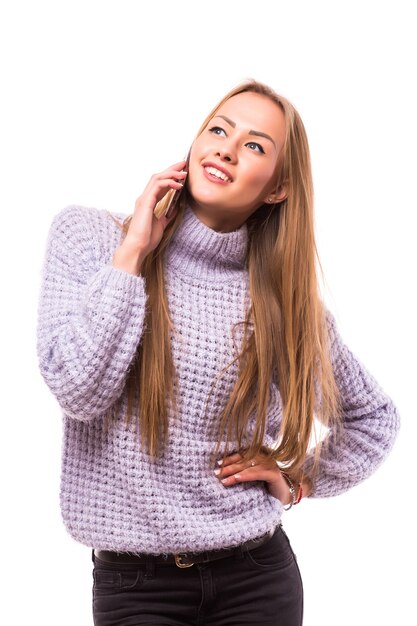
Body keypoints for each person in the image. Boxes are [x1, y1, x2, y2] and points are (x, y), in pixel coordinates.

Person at [36, 79, 400, 626]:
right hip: (136, 588)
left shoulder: (283, 303)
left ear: (277, 188)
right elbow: (76, 388)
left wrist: (296, 480)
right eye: (219, 130)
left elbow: (373, 419)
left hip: (258, 578)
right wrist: (133, 251)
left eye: (255, 145)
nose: (227, 148)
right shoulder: (90, 238)